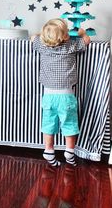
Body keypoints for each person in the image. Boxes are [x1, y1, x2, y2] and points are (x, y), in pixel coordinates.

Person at [32, 18, 90, 167]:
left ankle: (48, 150)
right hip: (66, 96)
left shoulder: (41, 45)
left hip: (48, 97)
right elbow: (87, 41)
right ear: (65, 36)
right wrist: (83, 33)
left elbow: (33, 37)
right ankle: (69, 152)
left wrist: (42, 34)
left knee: (48, 124)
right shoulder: (70, 45)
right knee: (69, 124)